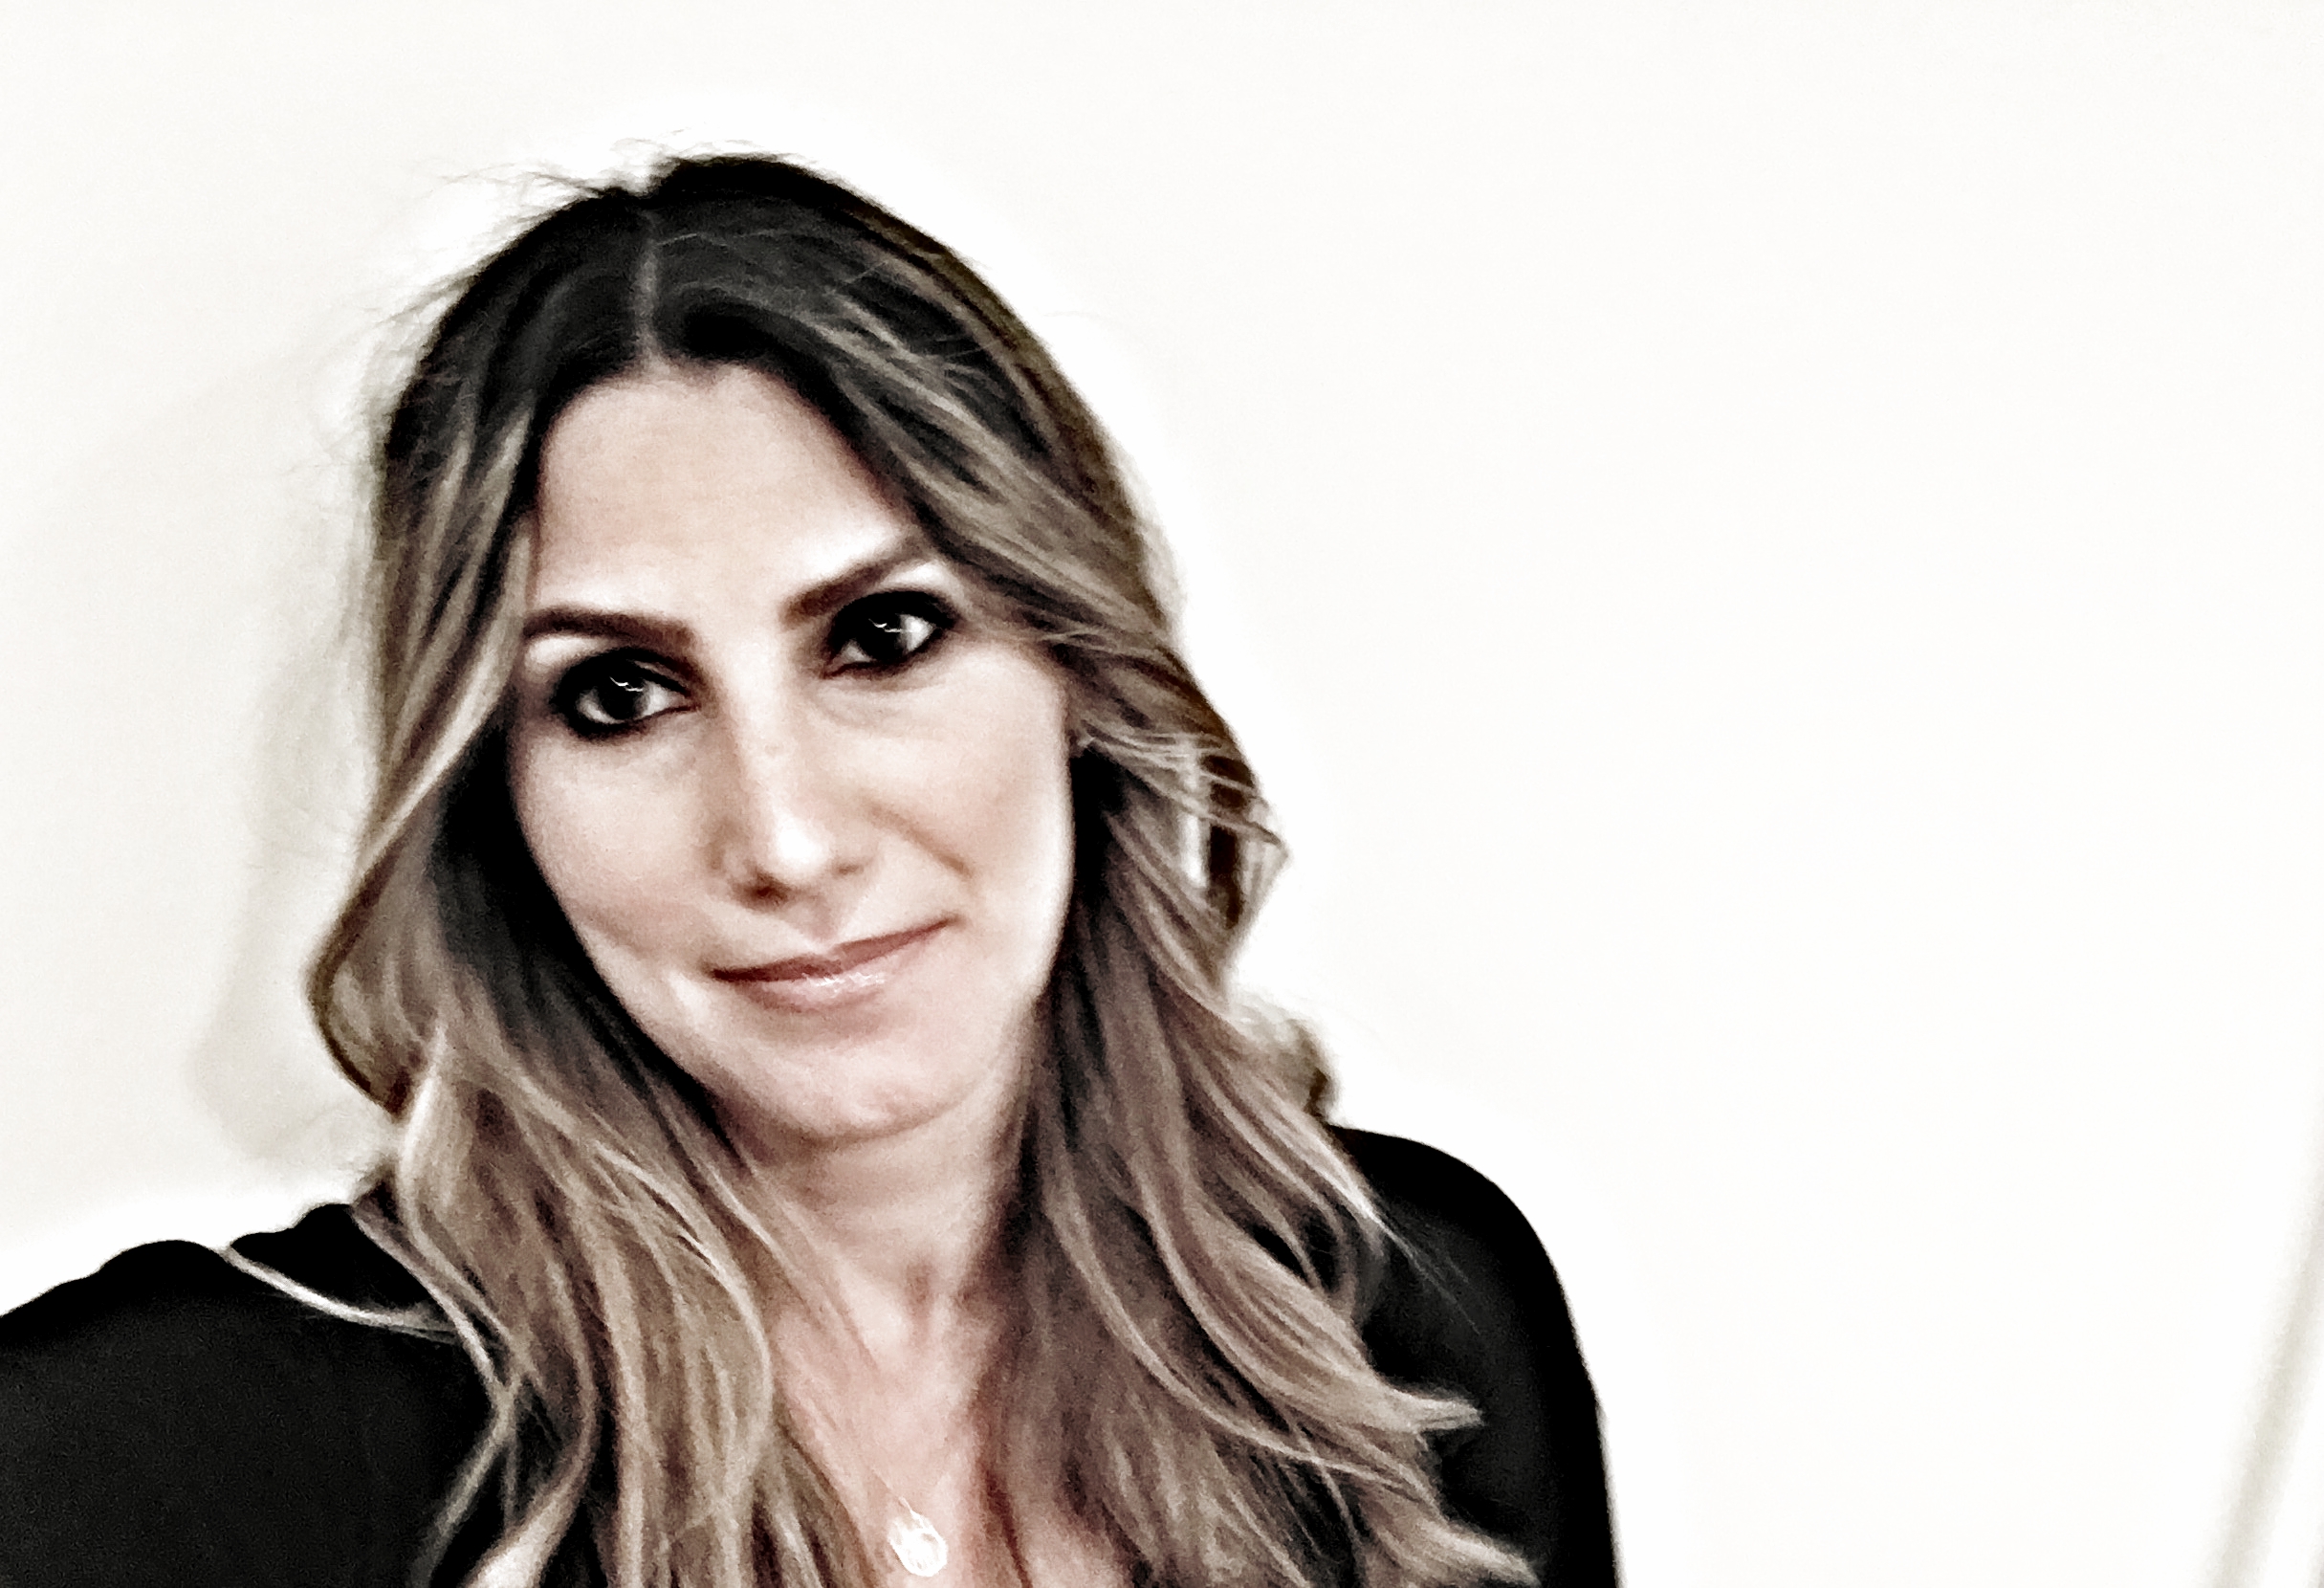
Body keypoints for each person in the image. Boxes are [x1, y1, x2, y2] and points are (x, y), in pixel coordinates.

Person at [0, 155, 1616, 1587]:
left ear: (1077, 675)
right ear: (494, 800)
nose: (782, 839)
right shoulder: (159, 1455)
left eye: (881, 636)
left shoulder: (1402, 1320)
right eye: (619, 696)